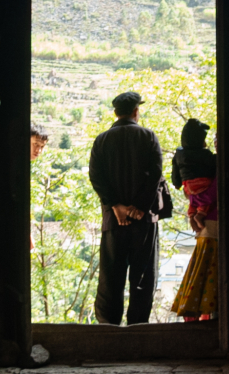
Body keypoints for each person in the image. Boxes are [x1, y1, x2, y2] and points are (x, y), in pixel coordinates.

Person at [87, 90, 163, 325]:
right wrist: (139, 207)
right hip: (143, 220)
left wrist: (116, 206)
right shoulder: (149, 137)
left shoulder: (102, 139)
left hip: (114, 220)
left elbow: (96, 177)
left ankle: (108, 329)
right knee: (142, 277)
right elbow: (155, 175)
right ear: (136, 112)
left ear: (116, 113)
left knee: (111, 277)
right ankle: (138, 329)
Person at [170, 118, 219, 321]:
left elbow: (176, 182)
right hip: (210, 220)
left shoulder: (179, 155)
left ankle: (194, 214)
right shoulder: (210, 159)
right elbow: (215, 185)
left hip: (190, 190)